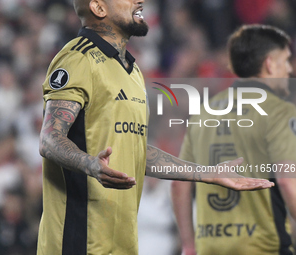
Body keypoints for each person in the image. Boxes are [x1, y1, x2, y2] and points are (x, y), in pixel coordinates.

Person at [37, 1, 274, 254]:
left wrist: (207, 174)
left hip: (122, 245)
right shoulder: (77, 59)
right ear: (98, 7)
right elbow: (50, 138)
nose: (139, 1)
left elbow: (135, 149)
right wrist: (89, 164)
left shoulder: (132, 71)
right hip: (78, 243)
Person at [171, 24, 296, 255]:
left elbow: (179, 184)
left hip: (210, 247)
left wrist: (189, 246)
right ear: (269, 63)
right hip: (263, 247)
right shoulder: (279, 112)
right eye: (286, 60)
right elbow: (288, 182)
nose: (289, 70)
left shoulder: (203, 113)